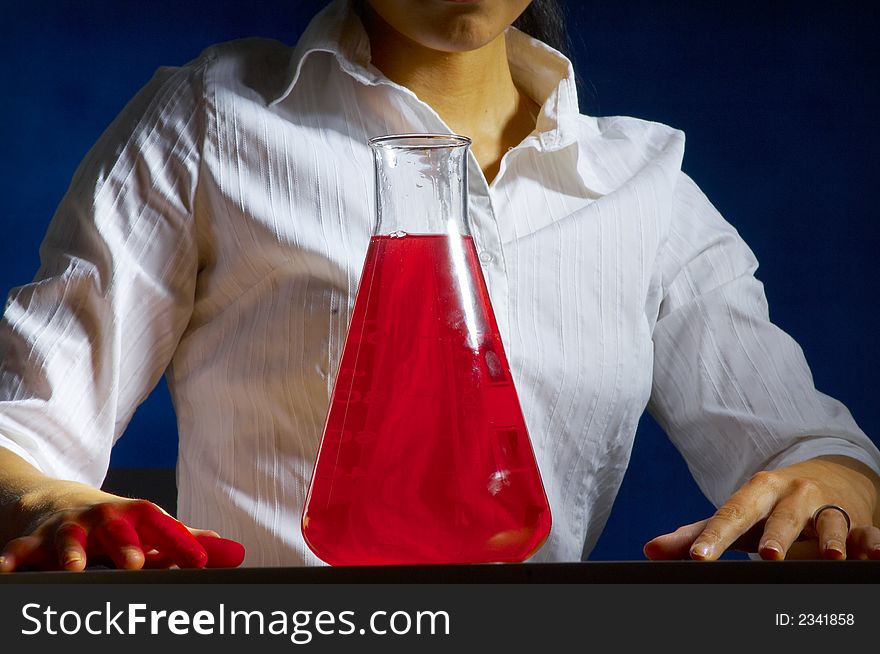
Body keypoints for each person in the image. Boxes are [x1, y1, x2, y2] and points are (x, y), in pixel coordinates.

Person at [1, 0, 878, 571]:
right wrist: (54, 505)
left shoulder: (643, 183)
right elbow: (22, 432)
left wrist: (832, 486)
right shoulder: (213, 123)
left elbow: (807, 448)